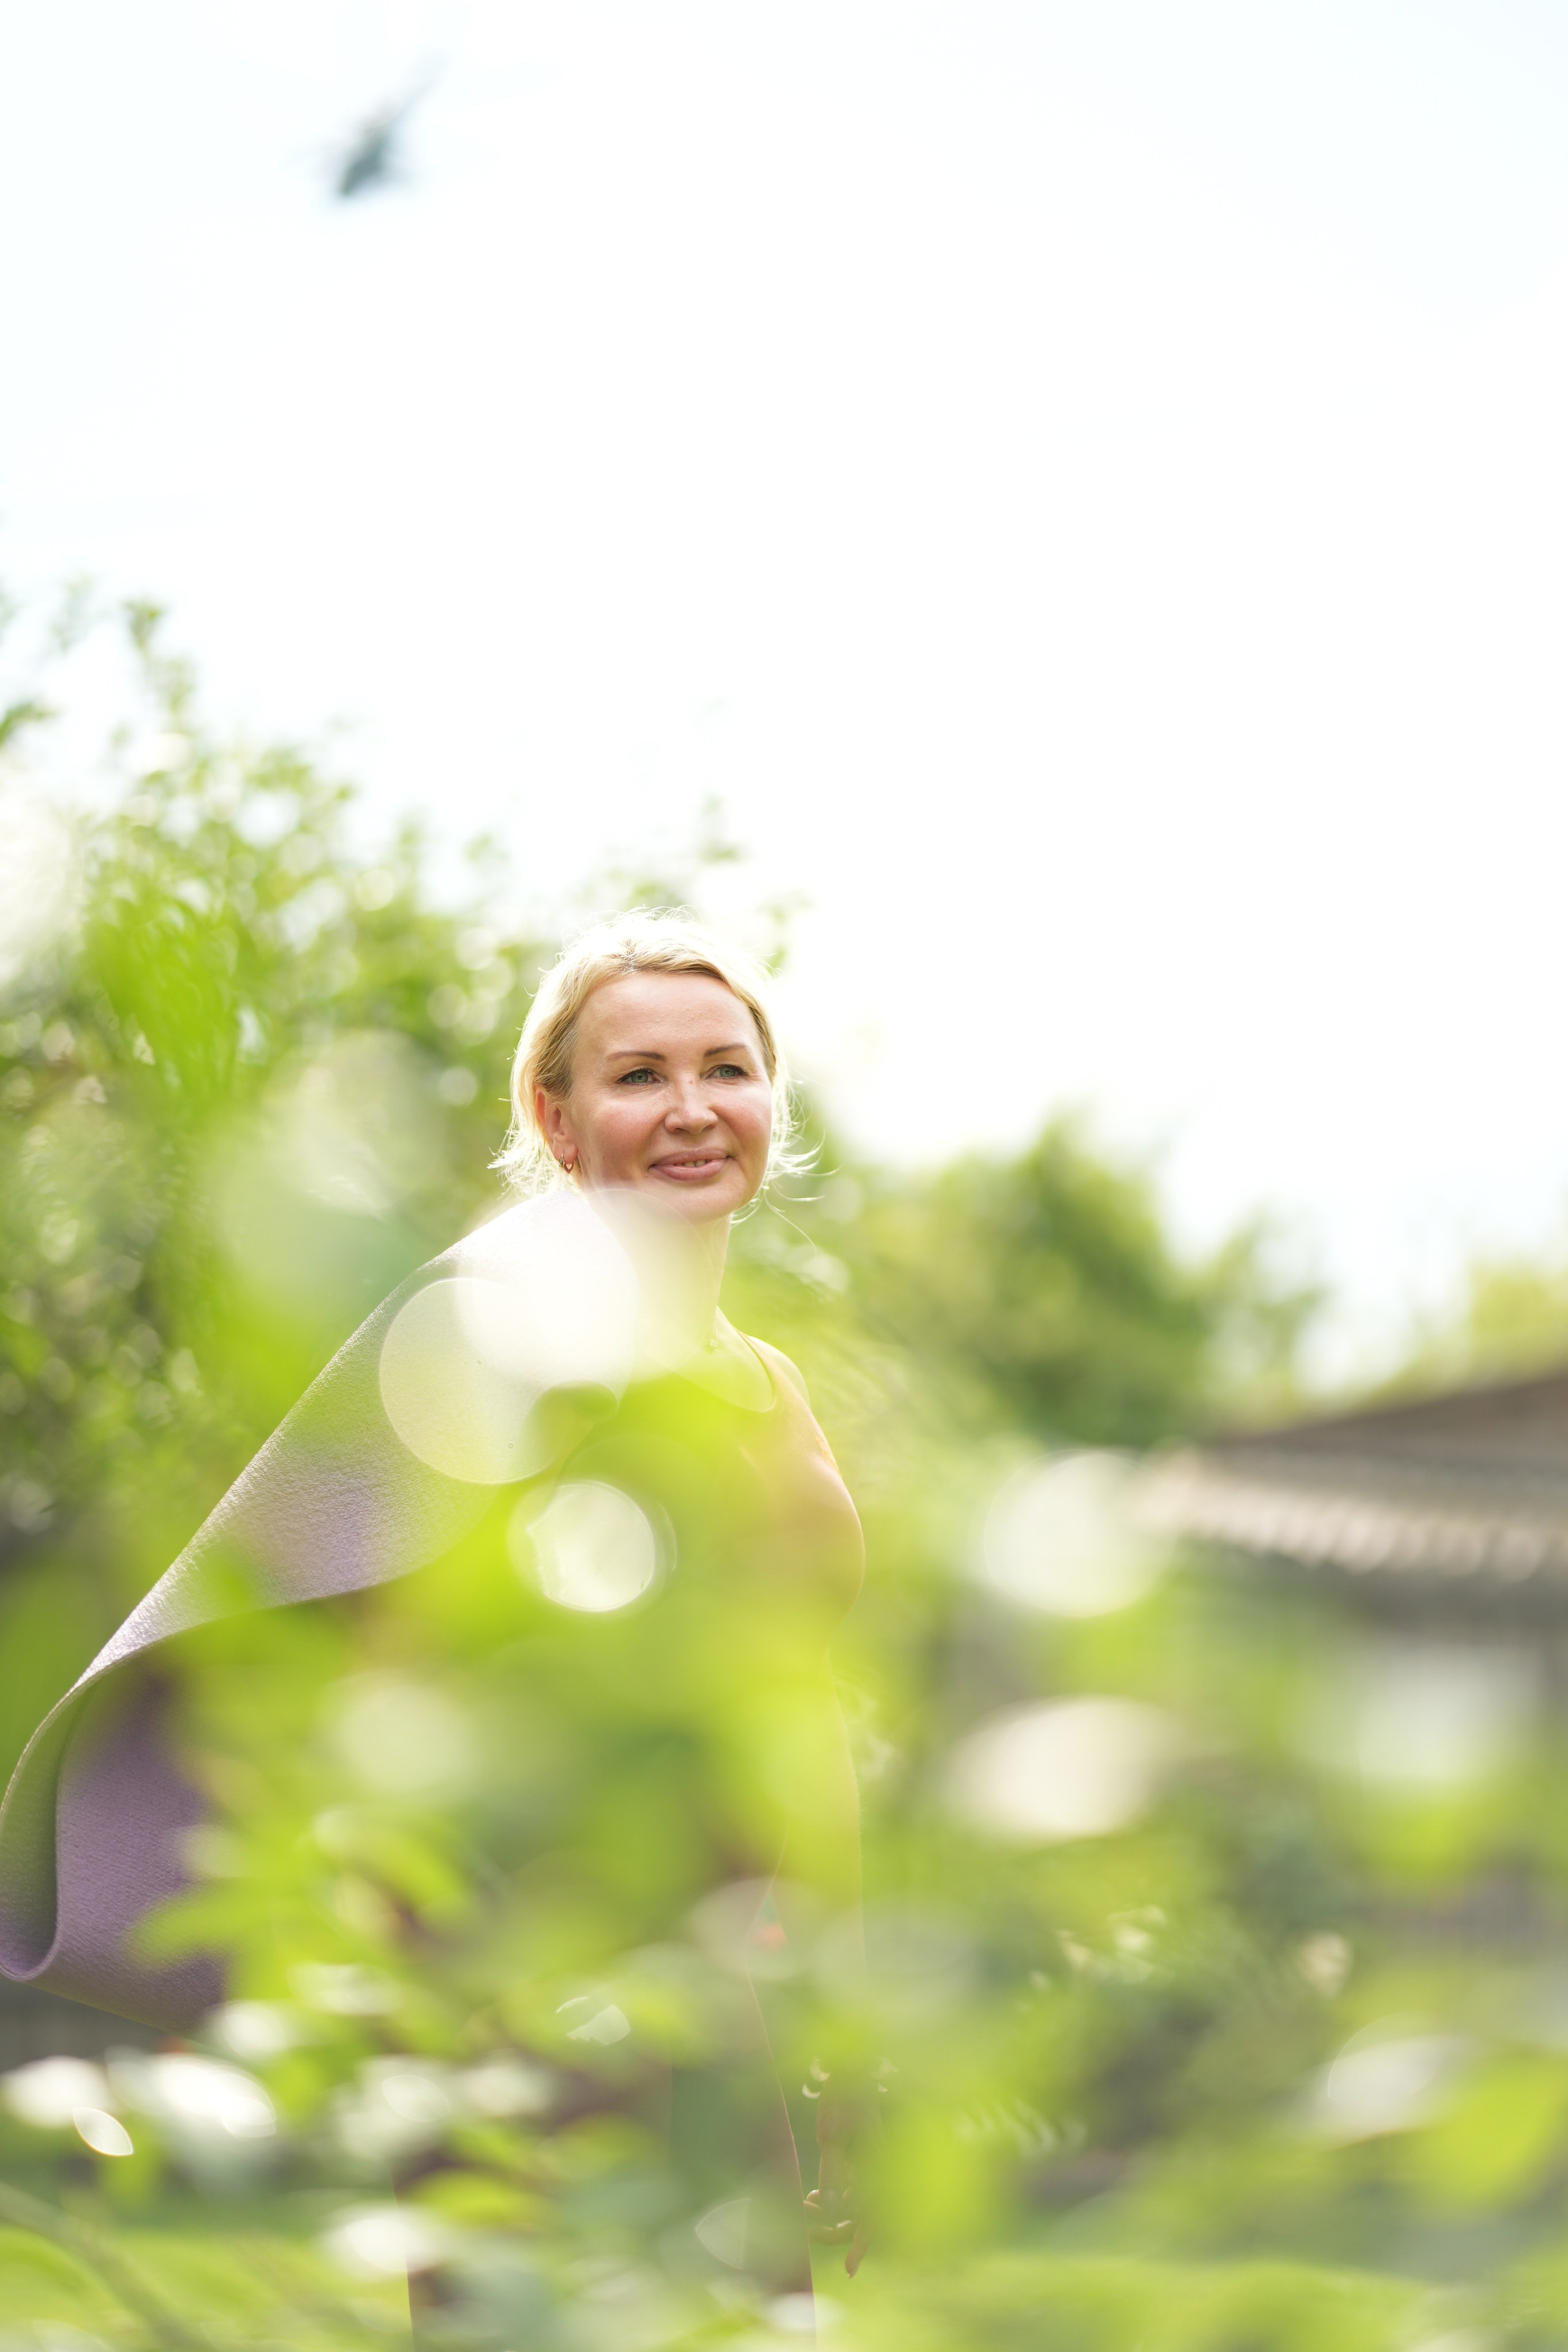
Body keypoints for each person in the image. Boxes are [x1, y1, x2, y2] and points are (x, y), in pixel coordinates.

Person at [0, 910, 871, 2315]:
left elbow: (800, 1694)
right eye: (638, 1075)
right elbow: (366, 1645)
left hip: (747, 1988)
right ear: (559, 1111)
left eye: (727, 1068)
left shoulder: (772, 1381)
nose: (693, 1108)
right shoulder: (495, 1325)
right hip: (544, 1982)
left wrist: (839, 1978)